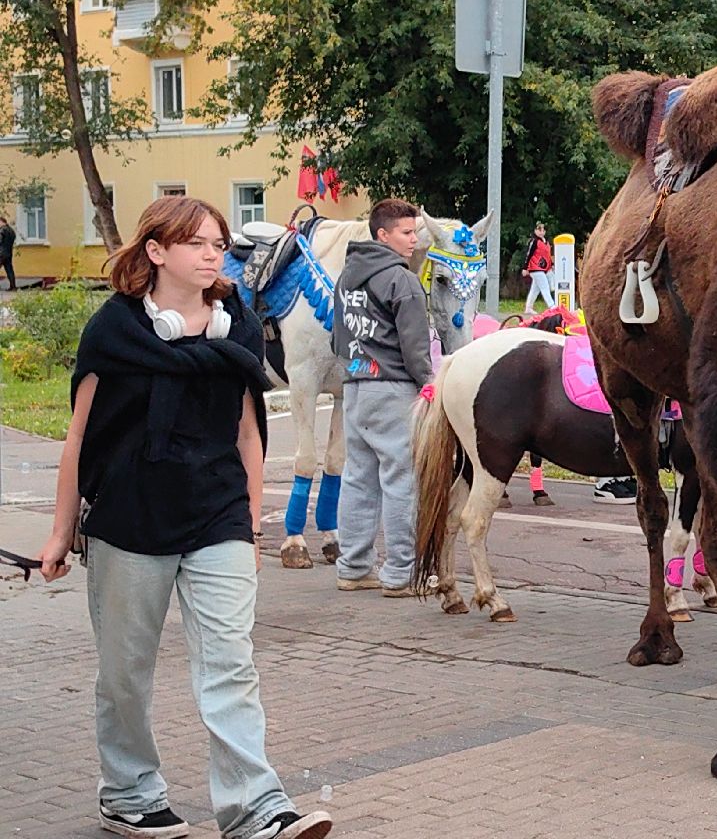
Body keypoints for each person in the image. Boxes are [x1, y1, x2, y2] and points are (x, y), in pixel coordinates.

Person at [36, 196, 333, 839]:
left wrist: (250, 526)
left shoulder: (240, 328)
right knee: (124, 672)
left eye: (218, 243)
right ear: (156, 251)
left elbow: (250, 437)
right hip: (129, 519)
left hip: (218, 516)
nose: (212, 254)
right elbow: (79, 438)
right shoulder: (114, 331)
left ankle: (256, 808)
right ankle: (129, 792)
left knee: (231, 663)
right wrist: (62, 531)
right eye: (196, 243)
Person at [332, 197, 433, 596]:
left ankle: (352, 568)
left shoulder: (346, 277)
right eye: (406, 233)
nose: (414, 240)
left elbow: (338, 335)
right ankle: (400, 573)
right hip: (393, 388)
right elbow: (414, 344)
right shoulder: (401, 279)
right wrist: (428, 382)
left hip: (355, 385)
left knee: (358, 479)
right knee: (401, 480)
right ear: (382, 234)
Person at [521, 222, 556, 312]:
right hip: (535, 268)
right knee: (544, 286)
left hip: (543, 268)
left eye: (543, 230)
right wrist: (525, 268)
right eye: (539, 230)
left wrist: (551, 264)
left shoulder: (546, 242)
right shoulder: (534, 242)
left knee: (535, 290)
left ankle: (528, 308)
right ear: (535, 231)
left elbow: (548, 255)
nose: (541, 232)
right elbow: (529, 255)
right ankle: (552, 306)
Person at [0, 212, 15, 289]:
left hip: (1, 253)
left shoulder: (2, 230)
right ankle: (13, 286)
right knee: (9, 269)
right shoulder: (12, 231)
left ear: (1, 222)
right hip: (9, 253)